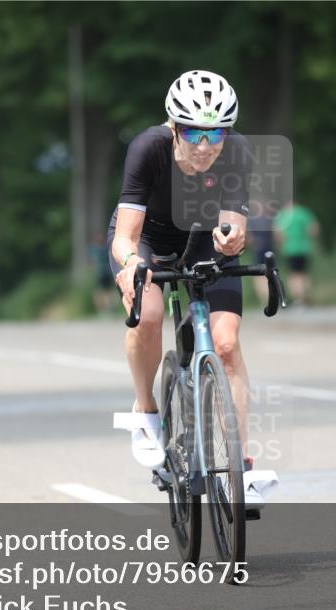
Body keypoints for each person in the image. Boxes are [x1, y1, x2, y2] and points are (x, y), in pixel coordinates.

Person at [106, 70, 275, 509]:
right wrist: (131, 266)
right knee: (150, 313)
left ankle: (239, 467)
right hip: (147, 239)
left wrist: (231, 237)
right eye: (194, 132)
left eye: (215, 132)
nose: (205, 145)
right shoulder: (148, 148)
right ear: (174, 127)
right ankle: (146, 412)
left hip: (201, 235)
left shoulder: (236, 151)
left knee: (226, 345)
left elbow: (233, 221)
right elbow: (125, 236)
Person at [274, 201, 319, 306]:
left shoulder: (283, 215)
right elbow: (314, 229)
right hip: (305, 247)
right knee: (304, 273)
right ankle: (306, 297)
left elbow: (278, 233)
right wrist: (307, 238)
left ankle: (298, 299)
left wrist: (282, 243)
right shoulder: (304, 212)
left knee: (294, 274)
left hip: (290, 248)